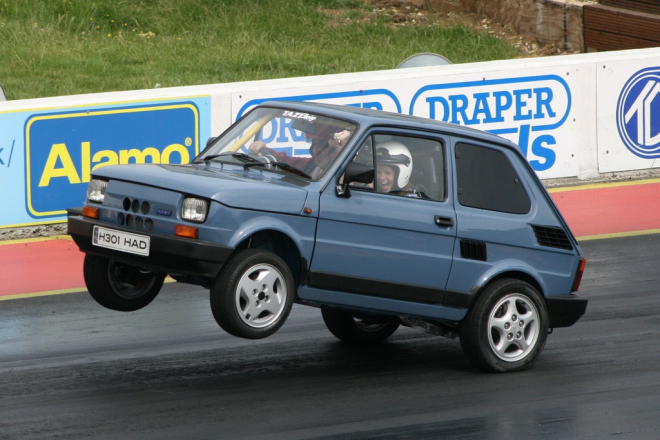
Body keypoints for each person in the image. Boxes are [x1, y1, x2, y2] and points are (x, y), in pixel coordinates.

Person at [248, 124, 352, 179]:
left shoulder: (344, 174)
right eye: (314, 144)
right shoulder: (311, 165)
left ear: (334, 148)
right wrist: (263, 148)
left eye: (321, 145)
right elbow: (284, 161)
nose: (315, 150)